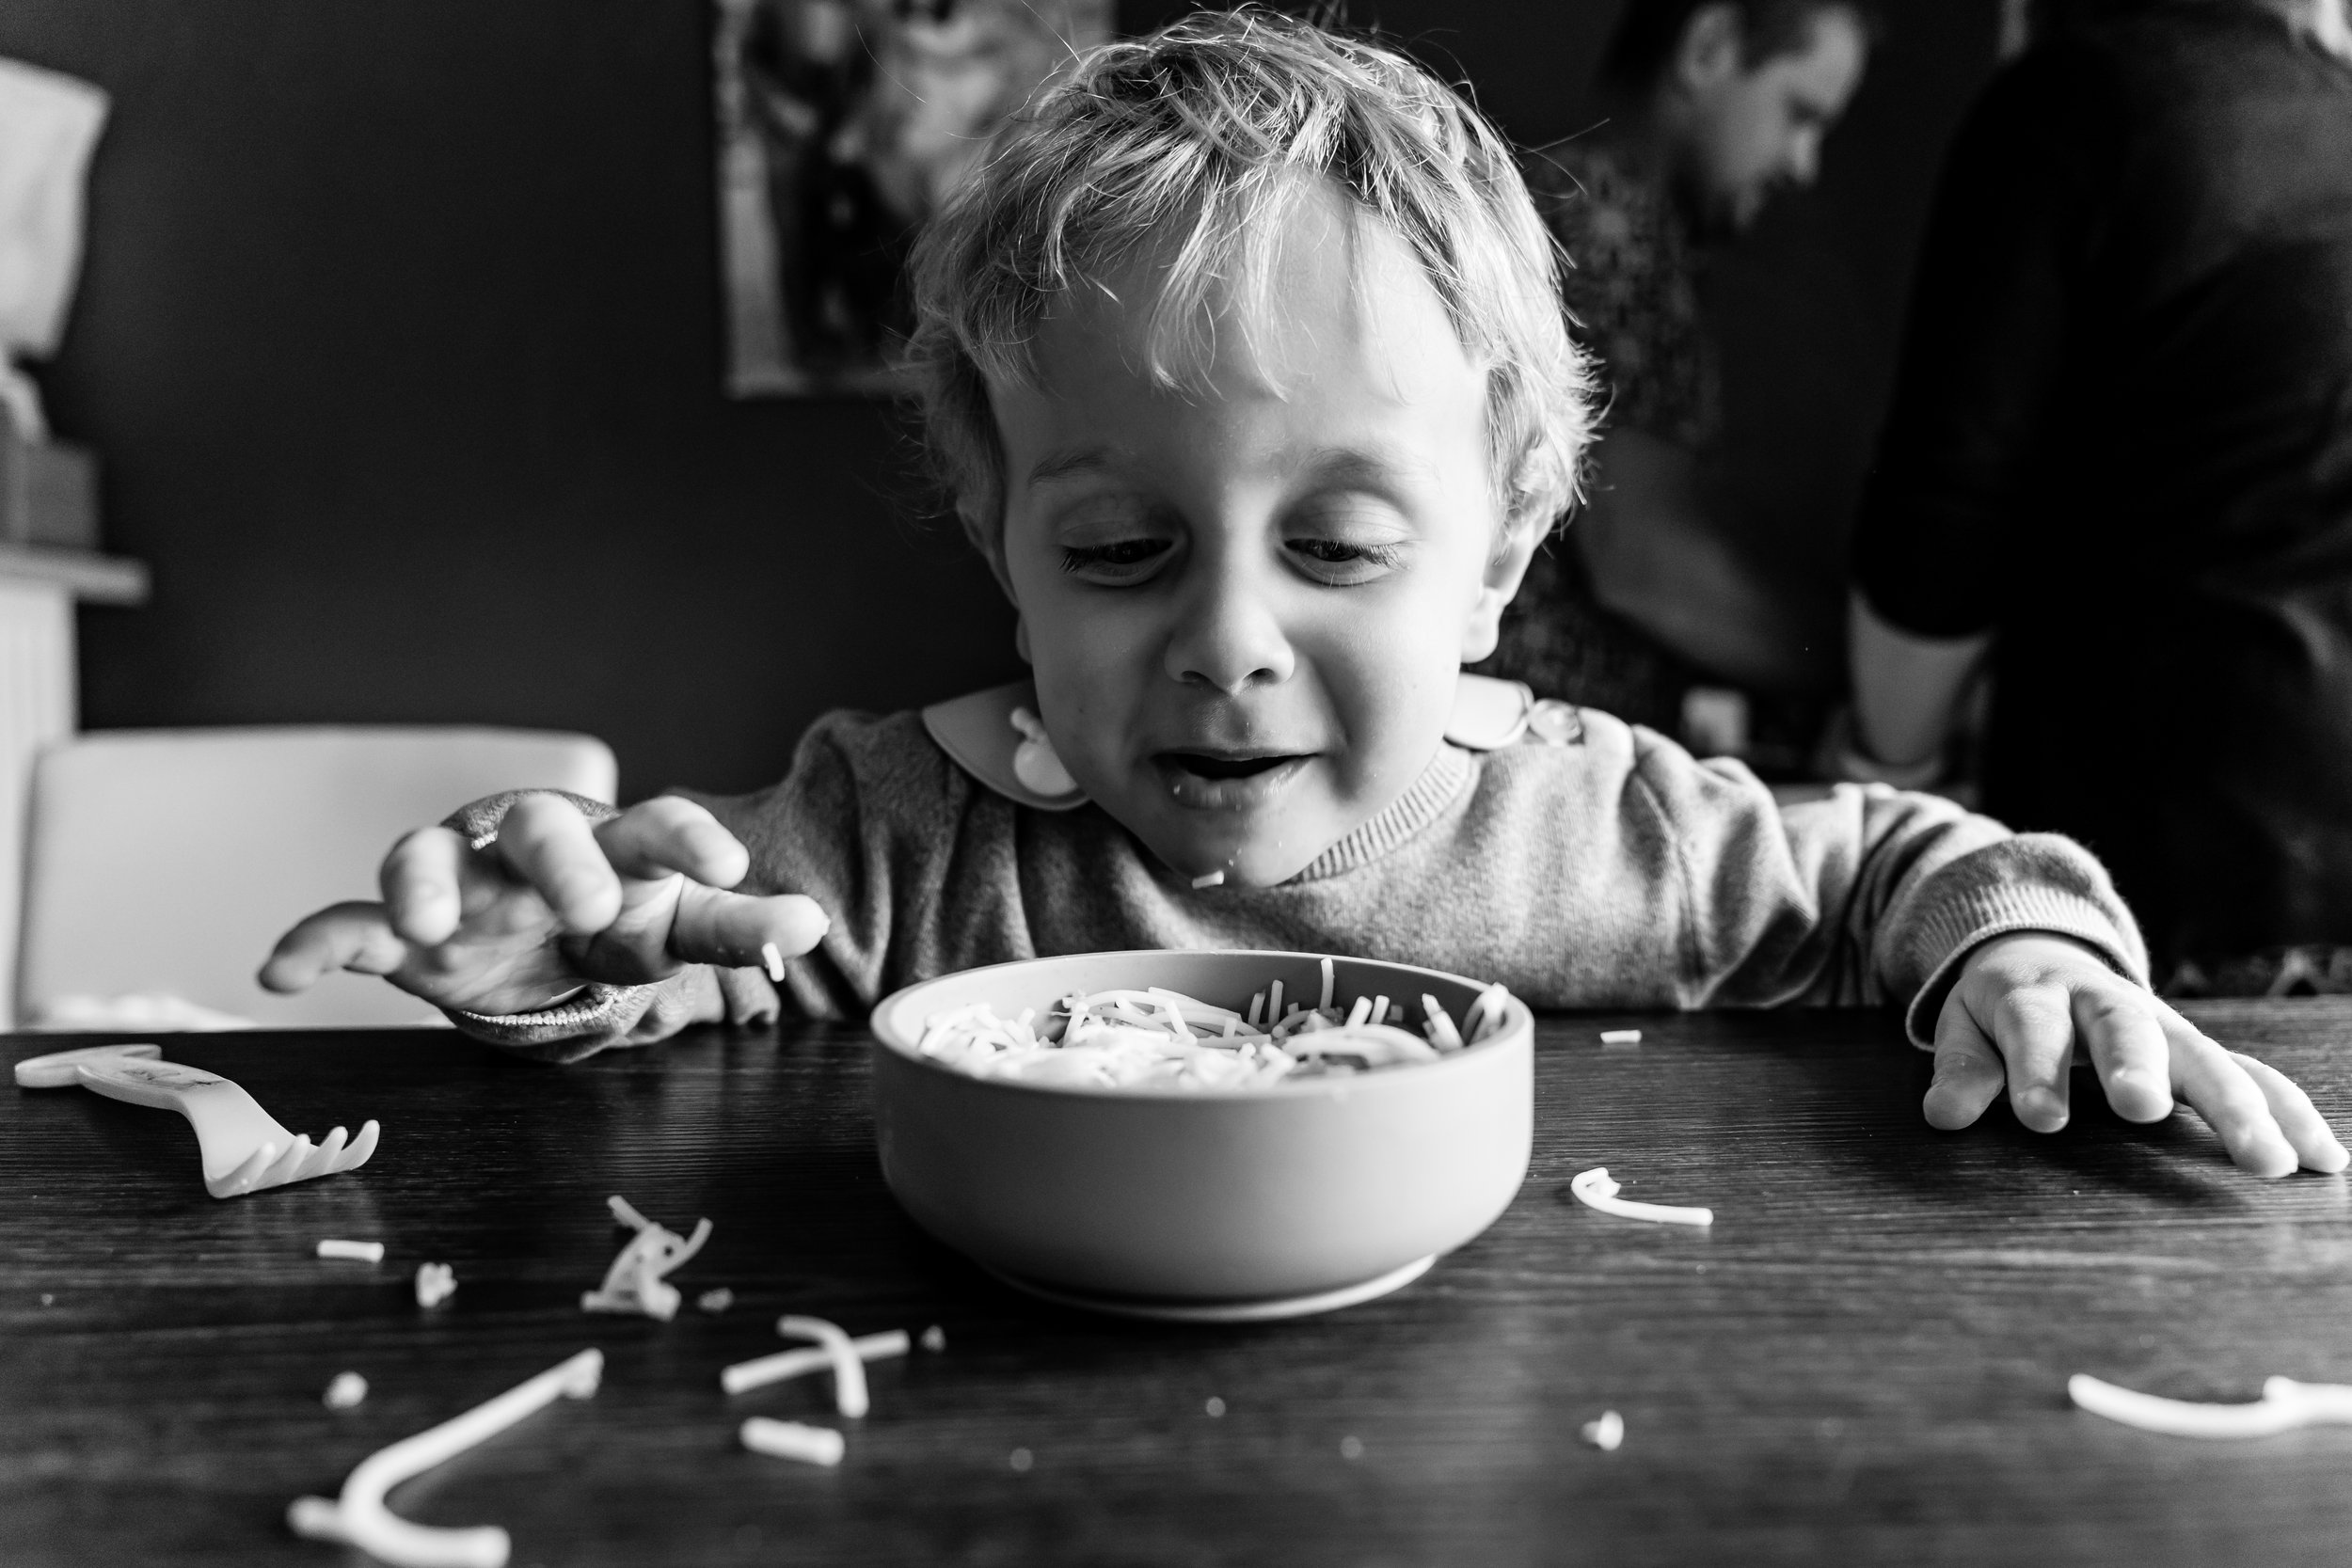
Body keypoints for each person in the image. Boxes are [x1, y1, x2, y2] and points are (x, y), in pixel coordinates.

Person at [262, 11, 2338, 1178]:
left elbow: (1897, 857)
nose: (1227, 635)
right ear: (998, 537)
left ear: (1503, 547)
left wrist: (2025, 960)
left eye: (1337, 545)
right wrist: (562, 967)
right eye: (1116, 548)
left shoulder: (1595, 831)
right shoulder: (890, 836)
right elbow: (682, 979)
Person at [1845, 0, 2352, 993]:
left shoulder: (2079, 103)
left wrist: (1887, 769)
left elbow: (1939, 525)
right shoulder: (2339, 110)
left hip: (2160, 896)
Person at [1483, 0, 1870, 736]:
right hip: (1531, 764)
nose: (1802, 163)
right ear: (1709, 49)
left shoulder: (1568, 205)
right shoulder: (1611, 227)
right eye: (1800, 114)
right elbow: (1642, 561)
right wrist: (1880, 672)